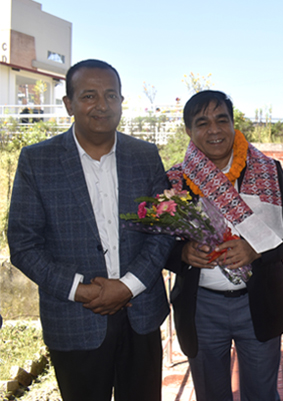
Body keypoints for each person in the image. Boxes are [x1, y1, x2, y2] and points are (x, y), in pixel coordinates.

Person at [7, 59, 173, 400]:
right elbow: (24, 244)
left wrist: (127, 286)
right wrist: (81, 291)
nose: (102, 105)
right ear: (69, 104)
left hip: (139, 315)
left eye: (111, 95)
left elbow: (163, 231)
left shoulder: (145, 156)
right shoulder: (38, 161)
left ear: (122, 103)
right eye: (88, 96)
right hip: (74, 317)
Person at [164, 90, 283, 400]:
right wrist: (182, 253)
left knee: (261, 394)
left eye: (222, 120)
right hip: (202, 306)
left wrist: (255, 250)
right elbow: (156, 243)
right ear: (189, 131)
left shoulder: (268, 172)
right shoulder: (175, 181)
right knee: (211, 394)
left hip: (259, 300)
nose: (214, 130)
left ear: (233, 124)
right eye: (203, 122)